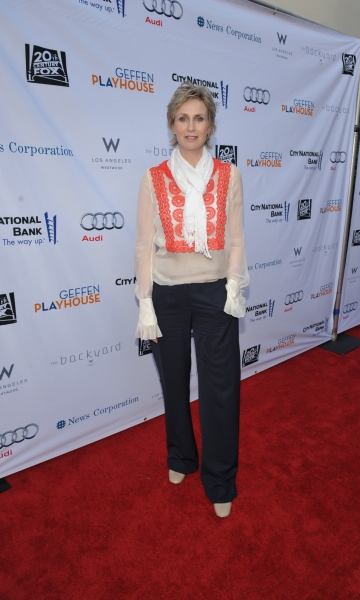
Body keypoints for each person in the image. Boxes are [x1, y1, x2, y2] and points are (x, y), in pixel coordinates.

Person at [135, 82, 249, 518]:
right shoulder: (152, 178)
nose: (191, 126)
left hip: (215, 290)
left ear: (211, 125)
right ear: (171, 124)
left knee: (221, 389)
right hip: (166, 294)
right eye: (183, 118)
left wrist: (233, 286)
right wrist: (145, 301)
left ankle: (220, 480)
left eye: (199, 118)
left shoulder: (229, 175)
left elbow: (236, 238)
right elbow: (144, 246)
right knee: (175, 382)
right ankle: (181, 456)